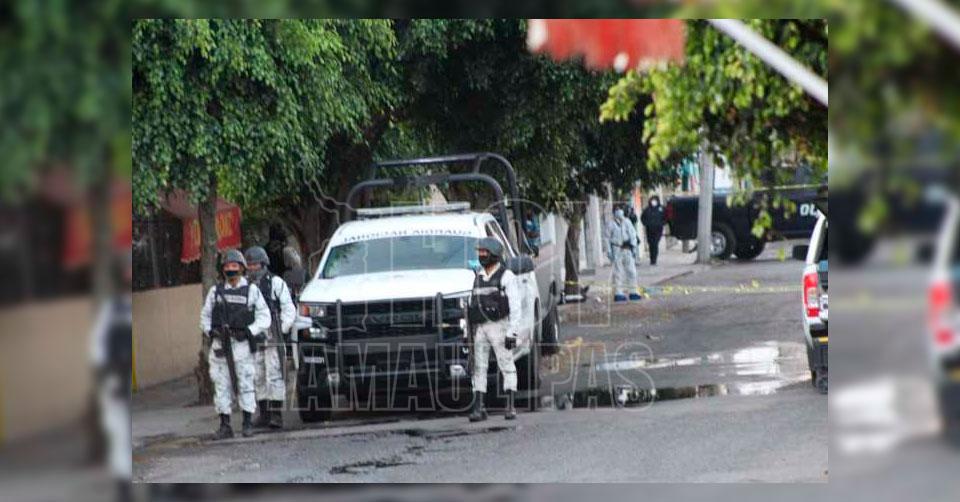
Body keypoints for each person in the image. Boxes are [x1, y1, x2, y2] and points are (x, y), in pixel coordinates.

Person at [200, 249, 271, 439]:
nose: (231, 270)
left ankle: (247, 423)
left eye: (234, 266)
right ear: (222, 270)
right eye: (227, 266)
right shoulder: (215, 292)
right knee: (221, 385)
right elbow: (205, 316)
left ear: (242, 268)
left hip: (241, 346)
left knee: (246, 383)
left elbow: (265, 317)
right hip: (220, 346)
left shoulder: (252, 290)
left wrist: (249, 331)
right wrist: (210, 331)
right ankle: (225, 425)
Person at [89, 253, 133, 501]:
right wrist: (107, 374)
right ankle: (123, 486)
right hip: (115, 379)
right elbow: (97, 346)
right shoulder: (111, 308)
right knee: (118, 433)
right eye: (125, 270)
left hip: (127, 377)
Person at [467, 237, 523, 422]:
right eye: (480, 252)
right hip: (481, 328)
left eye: (485, 252)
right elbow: (471, 304)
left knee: (506, 364)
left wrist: (512, 332)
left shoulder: (506, 277)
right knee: (478, 367)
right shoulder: (479, 276)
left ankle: (510, 406)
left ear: (494, 255)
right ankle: (479, 407)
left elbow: (515, 307)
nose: (481, 255)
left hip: (500, 326)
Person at [244, 246, 296, 430]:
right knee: (256, 375)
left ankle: (276, 415)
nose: (252, 268)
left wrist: (281, 329)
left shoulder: (276, 283)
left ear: (263, 263)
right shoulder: (244, 286)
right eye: (249, 265)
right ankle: (264, 414)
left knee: (274, 375)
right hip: (253, 337)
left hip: (273, 336)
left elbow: (289, 309)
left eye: (255, 264)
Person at [607, 206, 642, 302]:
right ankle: (619, 293)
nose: (619, 212)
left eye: (620, 210)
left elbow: (633, 235)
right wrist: (609, 251)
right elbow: (606, 238)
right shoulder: (611, 224)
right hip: (617, 248)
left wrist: (634, 248)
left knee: (631, 271)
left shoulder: (627, 222)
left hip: (627, 248)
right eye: (617, 210)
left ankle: (633, 291)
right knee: (618, 272)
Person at [641, 195, 666, 266]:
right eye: (652, 200)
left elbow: (666, 217)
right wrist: (646, 224)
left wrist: (662, 223)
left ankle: (654, 260)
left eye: (655, 200)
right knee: (651, 244)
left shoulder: (661, 209)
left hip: (658, 229)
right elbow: (642, 217)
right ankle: (652, 259)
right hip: (649, 229)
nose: (653, 202)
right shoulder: (647, 209)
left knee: (655, 244)